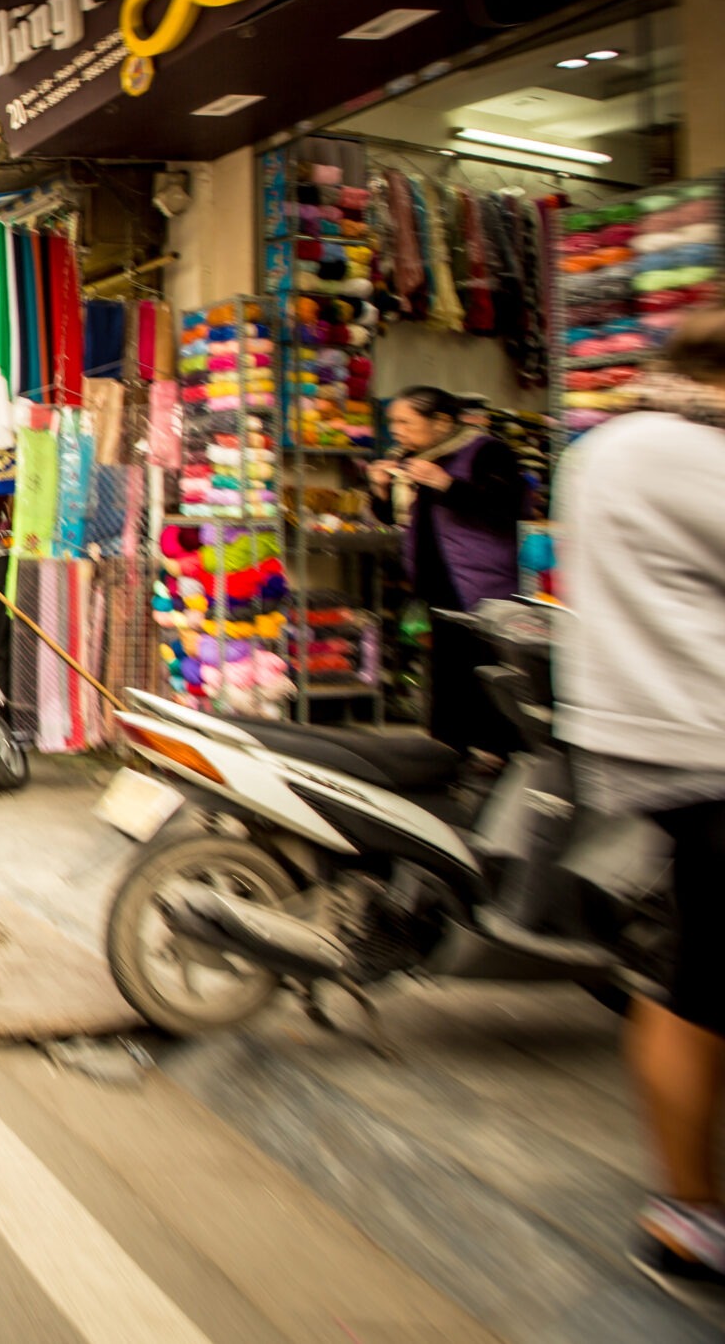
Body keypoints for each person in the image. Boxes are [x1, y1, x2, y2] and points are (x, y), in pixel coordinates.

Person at [555, 314, 725, 1294]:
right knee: (696, 985)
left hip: (644, 742)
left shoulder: (609, 448)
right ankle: (686, 1211)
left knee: (687, 978)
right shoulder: (686, 453)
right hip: (706, 740)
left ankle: (685, 1208)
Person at [367, 387, 524, 760]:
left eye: (406, 422)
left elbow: (509, 507)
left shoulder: (487, 451)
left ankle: (497, 752)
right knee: (448, 670)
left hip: (481, 581)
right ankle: (449, 751)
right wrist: (380, 489)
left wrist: (445, 484)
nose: (397, 432)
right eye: (394, 423)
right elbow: (392, 518)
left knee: (485, 666)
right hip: (435, 581)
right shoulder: (408, 458)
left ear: (441, 422)